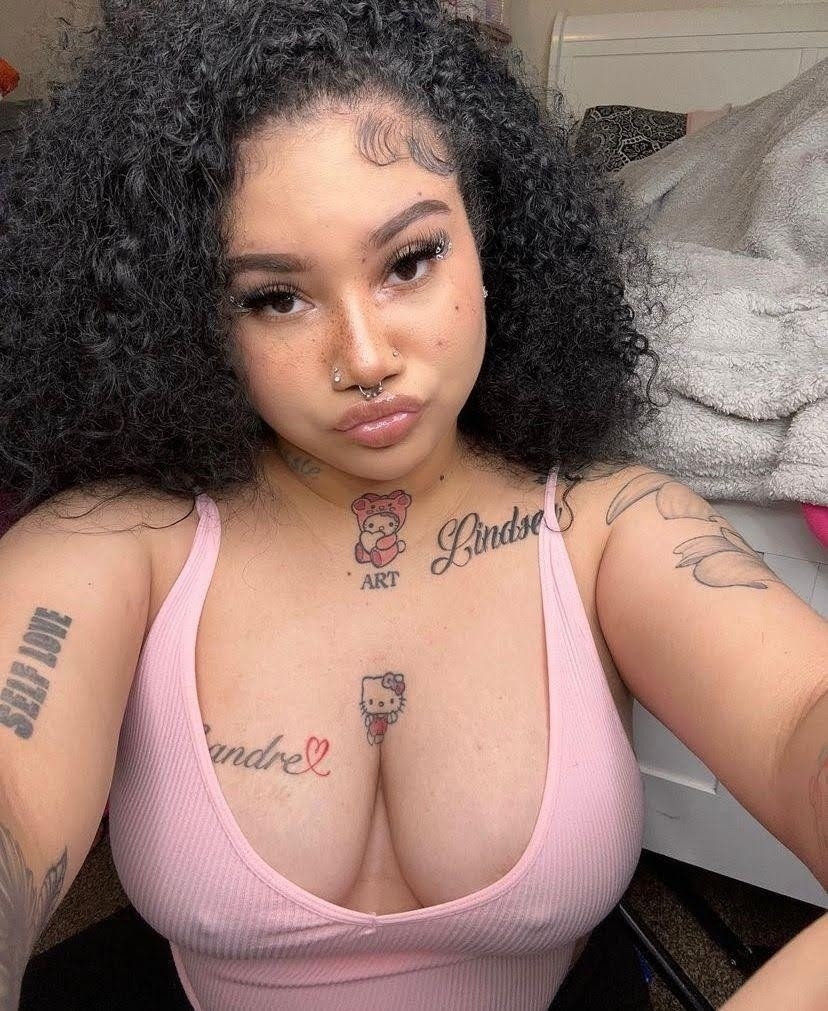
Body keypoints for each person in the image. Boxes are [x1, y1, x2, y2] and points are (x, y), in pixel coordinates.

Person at [0, 2, 825, 1009]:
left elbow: (801, 721)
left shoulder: (616, 528)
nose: (364, 358)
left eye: (409, 261)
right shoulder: (112, 547)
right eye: (274, 297)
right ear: (189, 315)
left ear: (492, 241)